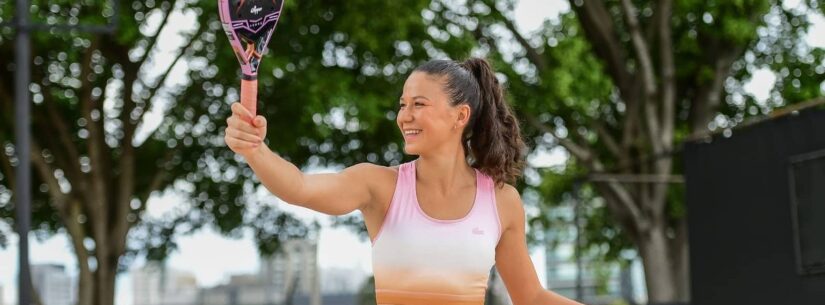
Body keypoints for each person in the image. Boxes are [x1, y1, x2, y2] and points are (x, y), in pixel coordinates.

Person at [225, 57, 585, 305]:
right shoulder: (378, 186)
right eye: (402, 104)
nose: (405, 116)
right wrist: (256, 151)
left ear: (460, 115)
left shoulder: (502, 201)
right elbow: (300, 188)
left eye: (419, 105)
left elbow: (532, 298)